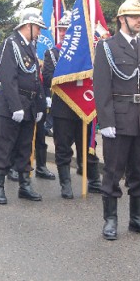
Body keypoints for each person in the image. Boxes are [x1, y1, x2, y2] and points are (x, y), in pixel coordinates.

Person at [93, 0, 140, 240]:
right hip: (119, 118)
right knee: (113, 171)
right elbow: (101, 86)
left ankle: (137, 218)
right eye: (135, 17)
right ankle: (111, 220)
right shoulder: (107, 47)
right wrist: (106, 121)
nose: (139, 21)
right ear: (121, 19)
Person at [0, 8, 46, 205]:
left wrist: (39, 106)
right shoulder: (10, 43)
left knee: (24, 147)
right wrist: (15, 106)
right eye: (37, 28)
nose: (39, 32)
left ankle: (24, 185)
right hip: (11, 106)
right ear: (27, 25)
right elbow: (7, 76)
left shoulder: (30, 46)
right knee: (5, 146)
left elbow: (35, 78)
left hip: (29, 105)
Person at [43, 14, 100, 199]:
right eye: (61, 29)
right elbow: (49, 78)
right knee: (63, 147)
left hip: (85, 106)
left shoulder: (88, 53)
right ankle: (65, 184)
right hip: (63, 109)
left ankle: (93, 179)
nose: (64, 32)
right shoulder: (52, 53)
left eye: (67, 29)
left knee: (87, 146)